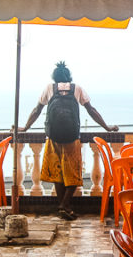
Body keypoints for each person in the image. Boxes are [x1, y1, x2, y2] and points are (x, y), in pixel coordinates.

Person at [20, 61, 118, 220]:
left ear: (55, 77)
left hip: (53, 138)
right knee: (74, 173)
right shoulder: (77, 88)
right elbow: (91, 110)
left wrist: (25, 127)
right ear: (69, 77)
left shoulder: (49, 88)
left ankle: (63, 206)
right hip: (72, 138)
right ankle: (64, 206)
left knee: (57, 173)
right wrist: (107, 127)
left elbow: (37, 110)